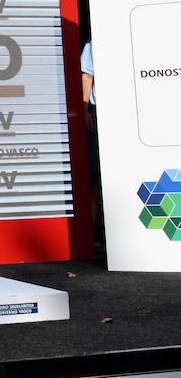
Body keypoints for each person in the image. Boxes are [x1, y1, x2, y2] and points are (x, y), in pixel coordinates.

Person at [81, 40, 104, 256]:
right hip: (100, 112)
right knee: (95, 176)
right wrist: (85, 109)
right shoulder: (93, 43)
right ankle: (93, 235)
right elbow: (87, 76)